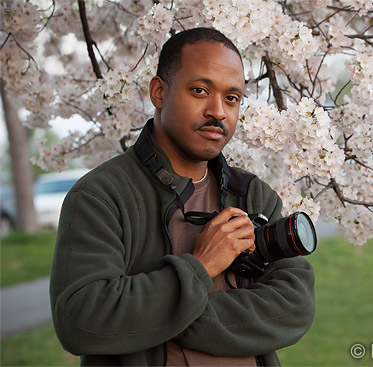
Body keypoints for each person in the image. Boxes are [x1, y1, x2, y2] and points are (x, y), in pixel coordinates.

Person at [50, 28, 315, 366]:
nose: (218, 111)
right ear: (159, 92)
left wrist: (157, 314)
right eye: (200, 90)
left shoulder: (252, 195)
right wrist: (202, 267)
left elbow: (295, 307)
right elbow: (81, 320)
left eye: (232, 98)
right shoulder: (101, 195)